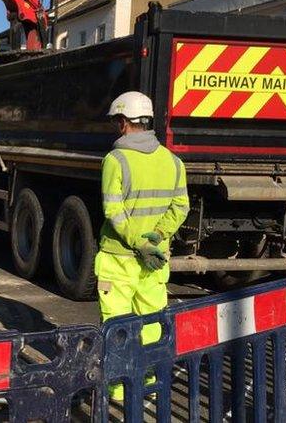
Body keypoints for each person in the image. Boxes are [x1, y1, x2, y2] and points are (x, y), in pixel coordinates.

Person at [97, 91, 189, 400]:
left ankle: (120, 389)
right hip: (155, 260)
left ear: (123, 123)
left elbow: (113, 211)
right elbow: (180, 208)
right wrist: (158, 238)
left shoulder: (115, 160)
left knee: (118, 324)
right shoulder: (174, 162)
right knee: (151, 322)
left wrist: (138, 243)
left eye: (116, 122)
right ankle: (148, 382)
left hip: (118, 258)